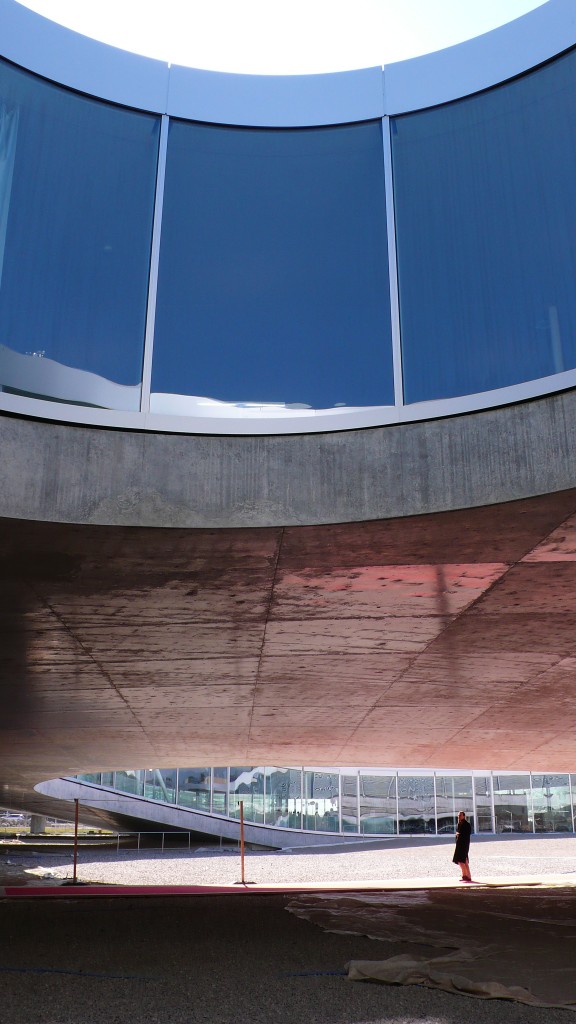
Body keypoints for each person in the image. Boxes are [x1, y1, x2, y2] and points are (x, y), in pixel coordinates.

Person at [452, 810, 472, 881]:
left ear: (464, 816)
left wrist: (459, 835)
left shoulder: (466, 824)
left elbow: (467, 834)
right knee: (464, 860)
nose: (459, 816)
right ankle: (466, 875)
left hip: (464, 845)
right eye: (458, 815)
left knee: (462, 860)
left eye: (460, 815)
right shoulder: (458, 824)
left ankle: (466, 875)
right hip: (459, 844)